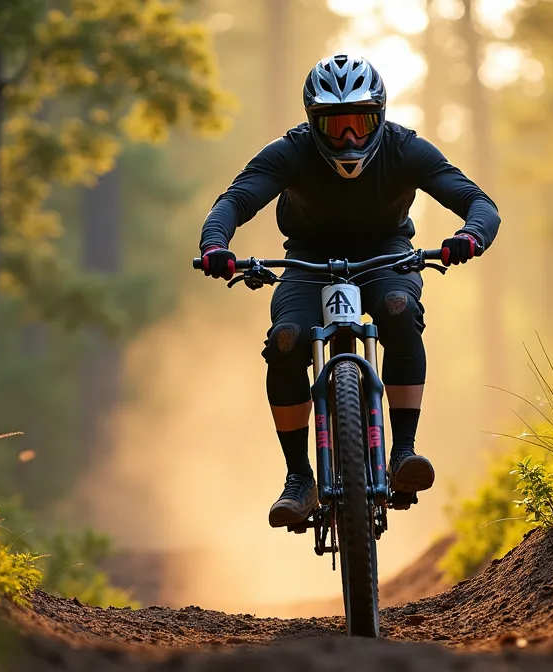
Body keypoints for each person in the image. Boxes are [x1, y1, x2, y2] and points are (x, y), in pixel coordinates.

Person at [197, 54, 502, 528]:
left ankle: (403, 452)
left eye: (360, 123)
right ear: (312, 123)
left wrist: (470, 236)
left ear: (380, 117)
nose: (349, 139)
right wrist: (216, 245)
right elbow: (235, 201)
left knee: (398, 309)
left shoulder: (406, 149)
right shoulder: (290, 151)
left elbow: (478, 203)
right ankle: (299, 478)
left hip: (386, 254)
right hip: (307, 259)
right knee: (287, 340)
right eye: (334, 125)